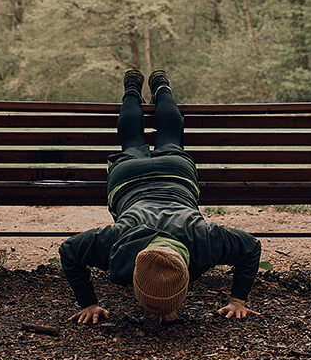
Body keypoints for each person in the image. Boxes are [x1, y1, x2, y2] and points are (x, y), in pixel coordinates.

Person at [60, 69, 262, 323]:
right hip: (128, 179)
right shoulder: (116, 242)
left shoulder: (205, 240)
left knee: (169, 139)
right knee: (132, 142)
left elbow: (251, 247)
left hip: (176, 173)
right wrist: (237, 300)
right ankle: (135, 87)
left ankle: (159, 87)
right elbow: (69, 250)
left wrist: (88, 303)